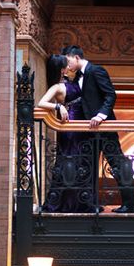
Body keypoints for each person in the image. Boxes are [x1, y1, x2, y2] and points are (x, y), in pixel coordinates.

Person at [62, 45, 134, 213]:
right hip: (89, 131)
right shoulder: (77, 77)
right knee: (89, 166)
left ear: (76, 57)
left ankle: (130, 204)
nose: (68, 66)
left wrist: (100, 116)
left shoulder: (96, 70)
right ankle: (91, 203)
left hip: (105, 128)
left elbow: (110, 94)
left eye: (68, 61)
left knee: (117, 164)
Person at [38, 54, 97, 213]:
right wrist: (58, 107)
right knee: (69, 161)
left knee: (81, 162)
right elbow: (41, 103)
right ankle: (64, 203)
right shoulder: (57, 87)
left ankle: (81, 202)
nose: (70, 66)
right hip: (70, 126)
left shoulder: (73, 82)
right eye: (67, 64)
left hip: (81, 127)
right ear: (62, 69)